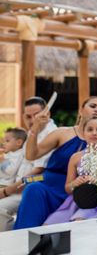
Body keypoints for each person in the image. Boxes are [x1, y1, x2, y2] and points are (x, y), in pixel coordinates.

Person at [13, 96, 97, 229]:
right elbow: (31, 155)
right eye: (92, 106)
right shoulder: (62, 133)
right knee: (33, 188)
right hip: (51, 184)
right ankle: (24, 238)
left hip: (80, 189)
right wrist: (35, 128)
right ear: (81, 110)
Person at [0, 97, 57, 231]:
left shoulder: (51, 134)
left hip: (32, 188)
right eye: (28, 116)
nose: (31, 120)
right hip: (16, 185)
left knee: (0, 209)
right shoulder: (32, 132)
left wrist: (6, 191)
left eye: (36, 115)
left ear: (47, 113)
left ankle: (10, 246)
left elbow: (38, 172)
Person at [44, 117, 97, 224]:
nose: (94, 133)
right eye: (90, 129)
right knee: (49, 225)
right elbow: (67, 188)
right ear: (83, 134)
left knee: (81, 222)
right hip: (79, 202)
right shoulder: (76, 157)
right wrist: (75, 183)